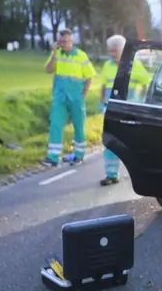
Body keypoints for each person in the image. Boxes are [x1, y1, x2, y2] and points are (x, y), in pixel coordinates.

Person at [99, 34, 151, 186]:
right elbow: (103, 85)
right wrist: (102, 102)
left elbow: (145, 84)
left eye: (114, 51)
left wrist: (139, 103)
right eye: (110, 51)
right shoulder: (107, 66)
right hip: (112, 112)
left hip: (129, 112)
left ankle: (143, 174)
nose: (111, 54)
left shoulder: (135, 65)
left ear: (122, 50)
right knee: (110, 143)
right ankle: (111, 174)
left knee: (134, 144)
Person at [41, 28, 97, 168]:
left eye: (65, 41)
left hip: (76, 98)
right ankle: (53, 157)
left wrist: (83, 94)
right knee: (55, 124)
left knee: (78, 126)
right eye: (60, 42)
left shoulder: (81, 56)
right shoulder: (57, 54)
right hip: (60, 97)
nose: (63, 44)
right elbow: (48, 70)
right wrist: (54, 54)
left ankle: (79, 155)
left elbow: (89, 77)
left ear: (72, 41)